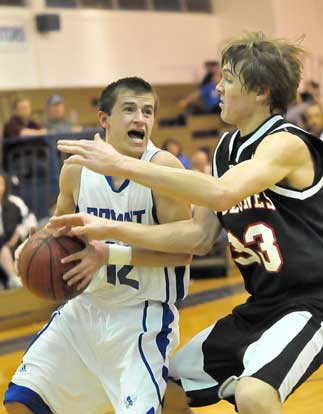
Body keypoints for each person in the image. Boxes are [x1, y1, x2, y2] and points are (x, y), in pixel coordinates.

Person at [52, 31, 323, 414]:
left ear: (261, 91)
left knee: (254, 394)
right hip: (264, 304)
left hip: (312, 304)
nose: (219, 87)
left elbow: (221, 194)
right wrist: (108, 232)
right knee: (168, 390)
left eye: (228, 78)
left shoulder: (285, 143)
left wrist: (123, 164)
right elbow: (197, 237)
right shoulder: (227, 148)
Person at [3, 77, 191, 414]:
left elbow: (184, 251)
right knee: (21, 403)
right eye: (130, 109)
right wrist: (31, 246)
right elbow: (58, 231)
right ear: (104, 119)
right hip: (85, 310)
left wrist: (110, 253)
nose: (141, 119)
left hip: (140, 317)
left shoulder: (163, 169)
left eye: (148, 111)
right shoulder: (76, 169)